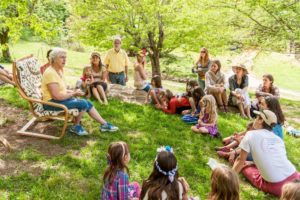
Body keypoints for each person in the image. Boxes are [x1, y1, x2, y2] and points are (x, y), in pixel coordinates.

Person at [41, 47, 118, 135]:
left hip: (59, 100)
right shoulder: (50, 73)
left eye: (65, 57)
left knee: (87, 103)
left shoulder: (58, 71)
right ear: (54, 59)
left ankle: (104, 124)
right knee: (83, 103)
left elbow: (62, 90)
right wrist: (74, 93)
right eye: (62, 57)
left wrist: (73, 91)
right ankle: (75, 126)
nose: (65, 60)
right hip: (51, 103)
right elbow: (56, 96)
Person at [233, 110, 300, 197]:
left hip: (278, 186)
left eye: (257, 118)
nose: (255, 120)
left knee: (245, 166)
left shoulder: (250, 134)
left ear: (261, 120)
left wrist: (228, 177)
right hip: (295, 176)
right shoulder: (278, 139)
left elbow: (240, 160)